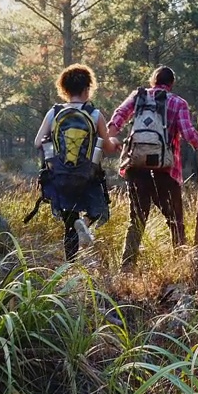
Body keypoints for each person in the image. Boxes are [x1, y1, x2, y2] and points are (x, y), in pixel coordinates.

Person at [106, 66, 198, 269]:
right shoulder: (178, 103)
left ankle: (126, 268)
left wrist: (110, 136)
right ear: (171, 84)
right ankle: (181, 265)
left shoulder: (138, 96)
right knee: (175, 221)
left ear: (153, 81)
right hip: (165, 170)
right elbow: (190, 136)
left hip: (136, 167)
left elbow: (119, 115)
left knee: (136, 220)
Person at [33, 63, 121, 260]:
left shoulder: (54, 112)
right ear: (87, 88)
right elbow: (106, 147)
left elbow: (38, 141)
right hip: (88, 176)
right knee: (97, 211)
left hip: (60, 176)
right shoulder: (94, 114)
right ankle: (86, 223)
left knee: (69, 220)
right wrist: (114, 142)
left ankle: (70, 265)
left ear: (64, 89)